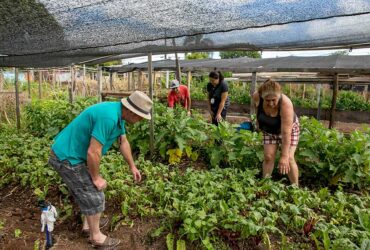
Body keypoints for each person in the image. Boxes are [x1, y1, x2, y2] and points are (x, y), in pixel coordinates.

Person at [48, 91, 153, 248]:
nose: (139, 121)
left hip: (74, 155)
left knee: (89, 191)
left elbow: (123, 141)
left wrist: (132, 166)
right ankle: (96, 237)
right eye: (139, 117)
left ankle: (88, 225)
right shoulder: (109, 117)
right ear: (131, 111)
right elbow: (93, 151)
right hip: (67, 158)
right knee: (95, 195)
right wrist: (96, 178)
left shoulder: (118, 114)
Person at [252, 80, 300, 185]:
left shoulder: (286, 104)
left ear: (279, 96)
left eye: (274, 100)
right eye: (267, 100)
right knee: (268, 157)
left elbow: (286, 133)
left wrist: (284, 156)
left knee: (289, 157)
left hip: (288, 131)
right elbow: (257, 109)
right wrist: (258, 122)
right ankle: (265, 185)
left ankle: (296, 188)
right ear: (262, 96)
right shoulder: (256, 96)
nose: (271, 103)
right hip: (269, 129)